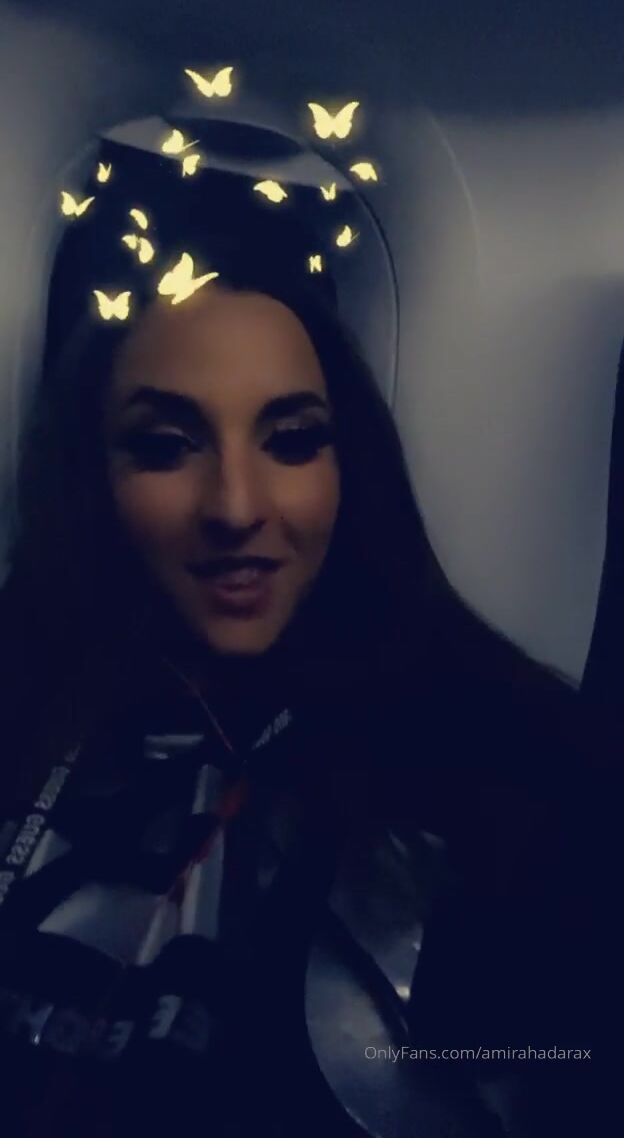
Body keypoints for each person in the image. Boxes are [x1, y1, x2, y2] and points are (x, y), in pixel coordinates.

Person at [0, 128, 602, 1137]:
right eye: (166, 444)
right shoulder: (26, 699)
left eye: (291, 440)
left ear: (348, 467)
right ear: (95, 479)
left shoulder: (517, 764)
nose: (236, 506)